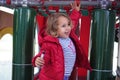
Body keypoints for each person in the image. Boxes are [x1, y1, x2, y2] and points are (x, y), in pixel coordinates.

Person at [32, 1, 92, 80]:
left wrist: (75, 11)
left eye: (68, 24)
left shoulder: (68, 35)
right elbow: (43, 54)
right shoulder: (50, 43)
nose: (68, 28)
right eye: (63, 26)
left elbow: (73, 21)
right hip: (52, 78)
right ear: (54, 30)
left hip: (65, 75)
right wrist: (37, 60)